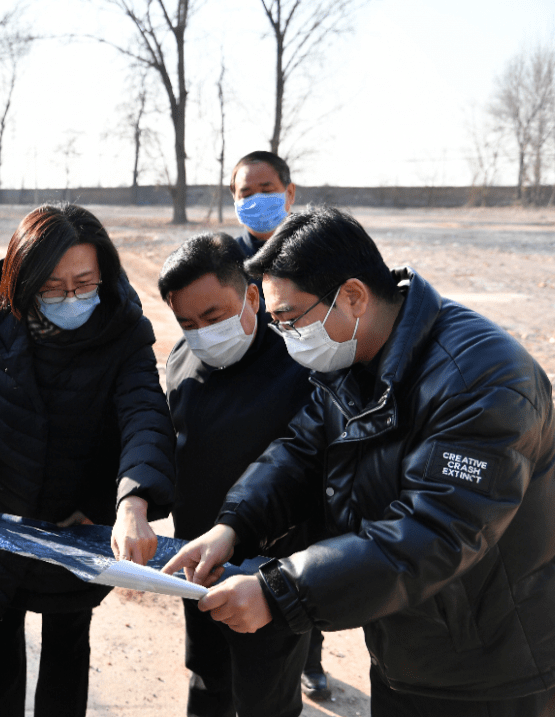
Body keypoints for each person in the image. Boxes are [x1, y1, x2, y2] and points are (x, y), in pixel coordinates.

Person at [165, 206, 555, 716]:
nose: (287, 336)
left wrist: (279, 592)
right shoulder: (353, 352)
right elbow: (299, 450)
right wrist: (232, 526)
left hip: (493, 658)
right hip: (408, 637)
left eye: (291, 319)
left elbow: (434, 532)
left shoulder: (481, 380)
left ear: (354, 296)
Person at [0, 202, 175, 717]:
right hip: (5, 519)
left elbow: (144, 413)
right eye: (51, 286)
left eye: (84, 282)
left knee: (67, 651)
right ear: (23, 281)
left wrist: (130, 502)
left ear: (104, 274)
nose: (70, 297)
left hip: (79, 521)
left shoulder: (121, 328)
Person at [159, 232, 314, 717]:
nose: (202, 332)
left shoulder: (301, 362)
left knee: (267, 699)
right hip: (198, 570)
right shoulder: (181, 363)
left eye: (213, 317)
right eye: (187, 322)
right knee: (207, 682)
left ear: (252, 294)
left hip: (273, 576)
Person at [230, 149, 330, 698]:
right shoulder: (226, 264)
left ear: (289, 193)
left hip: (315, 421)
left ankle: (310, 656)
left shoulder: (319, 254)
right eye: (243, 192)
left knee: (313, 543)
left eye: (265, 188)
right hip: (257, 430)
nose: (254, 200)